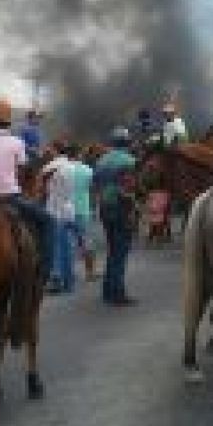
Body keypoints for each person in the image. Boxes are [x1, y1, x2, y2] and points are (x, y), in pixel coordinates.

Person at [0, 98, 56, 282]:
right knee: (49, 221)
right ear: (7, 121)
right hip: (9, 198)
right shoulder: (16, 142)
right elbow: (20, 172)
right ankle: (44, 272)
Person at [94, 127, 138, 306]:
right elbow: (131, 187)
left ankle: (107, 290)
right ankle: (118, 293)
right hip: (122, 208)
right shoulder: (130, 160)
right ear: (127, 143)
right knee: (120, 251)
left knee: (112, 249)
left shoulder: (102, 159)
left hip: (105, 208)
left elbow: (95, 183)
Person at [41, 141, 77, 293]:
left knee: (55, 246)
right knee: (67, 245)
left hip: (54, 209)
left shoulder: (50, 167)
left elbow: (42, 188)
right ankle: (69, 281)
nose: (47, 152)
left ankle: (56, 279)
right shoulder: (72, 166)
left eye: (49, 149)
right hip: (68, 208)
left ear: (55, 150)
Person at [69, 145, 97, 281]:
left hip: (66, 211)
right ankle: (89, 273)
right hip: (83, 209)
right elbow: (93, 189)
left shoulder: (63, 170)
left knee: (69, 244)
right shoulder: (87, 170)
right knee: (86, 242)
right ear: (79, 155)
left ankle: (69, 274)